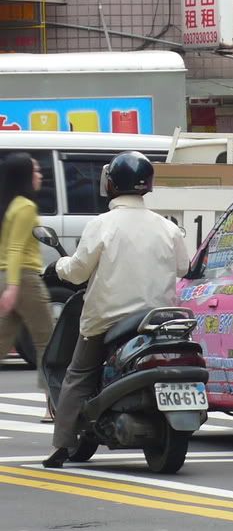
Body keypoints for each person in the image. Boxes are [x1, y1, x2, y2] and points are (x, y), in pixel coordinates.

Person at [43, 151, 189, 468]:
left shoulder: (102, 225)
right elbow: (183, 266)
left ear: (111, 184)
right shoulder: (166, 228)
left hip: (109, 319)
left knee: (78, 375)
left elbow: (79, 270)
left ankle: (61, 445)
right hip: (158, 321)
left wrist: (58, 268)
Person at [0, 153, 56, 422]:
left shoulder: (9, 204)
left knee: (1, 343)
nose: (40, 175)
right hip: (24, 278)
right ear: (24, 176)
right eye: (35, 171)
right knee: (48, 341)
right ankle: (52, 405)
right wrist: (13, 286)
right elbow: (14, 248)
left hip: (7, 277)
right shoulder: (25, 207)